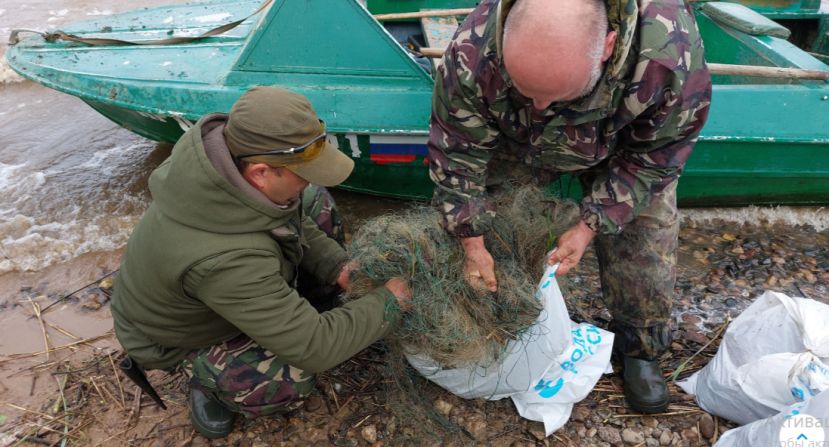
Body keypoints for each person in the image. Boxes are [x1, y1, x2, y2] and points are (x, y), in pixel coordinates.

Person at [428, 0, 712, 413]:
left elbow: (657, 158)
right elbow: (457, 155)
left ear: (608, 46)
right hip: (519, 138)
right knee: (498, 220)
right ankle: (505, 322)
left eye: (555, 94)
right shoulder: (472, 51)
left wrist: (589, 225)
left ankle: (639, 346)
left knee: (646, 229)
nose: (542, 105)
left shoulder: (669, 55)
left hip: (621, 143)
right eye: (527, 90)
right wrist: (472, 240)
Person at [112, 86, 410, 438]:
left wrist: (337, 267)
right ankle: (205, 380)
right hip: (179, 337)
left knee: (314, 200)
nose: (310, 177)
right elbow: (314, 348)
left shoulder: (227, 163)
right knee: (290, 381)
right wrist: (391, 301)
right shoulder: (227, 260)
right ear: (260, 173)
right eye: (304, 170)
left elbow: (287, 220)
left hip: (228, 286)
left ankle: (301, 309)